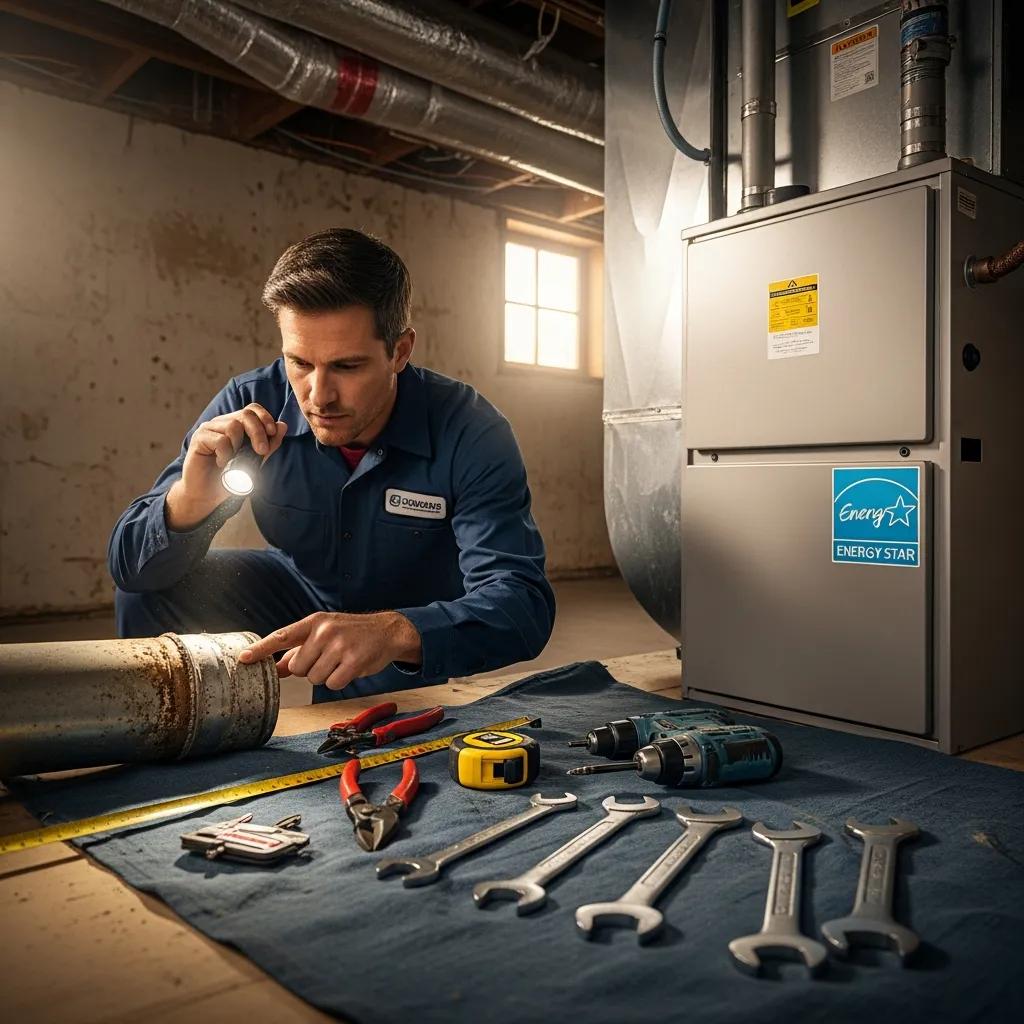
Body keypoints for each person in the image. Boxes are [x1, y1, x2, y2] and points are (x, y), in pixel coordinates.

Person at [108, 228, 555, 701]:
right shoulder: (249, 403)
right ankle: (171, 741)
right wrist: (190, 501)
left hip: (404, 627)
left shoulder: (471, 431)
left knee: (362, 725)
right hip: (298, 589)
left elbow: (522, 603)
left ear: (400, 351)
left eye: (347, 367)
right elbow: (129, 570)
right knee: (153, 583)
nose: (318, 397)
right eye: (299, 363)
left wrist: (398, 632)